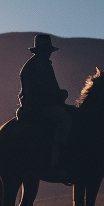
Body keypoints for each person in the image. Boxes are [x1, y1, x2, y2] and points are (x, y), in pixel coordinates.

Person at [16, 34, 72, 177]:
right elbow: (46, 91)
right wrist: (61, 95)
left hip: (36, 105)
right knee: (65, 120)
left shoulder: (35, 64)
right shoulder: (40, 65)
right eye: (47, 51)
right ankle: (58, 159)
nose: (49, 54)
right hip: (38, 108)